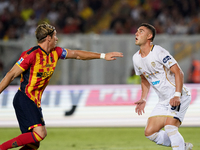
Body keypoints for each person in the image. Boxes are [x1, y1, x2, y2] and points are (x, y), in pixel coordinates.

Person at [0, 22, 123, 150]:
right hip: (25, 98)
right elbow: (10, 75)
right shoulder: (31, 55)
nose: (57, 39)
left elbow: (77, 54)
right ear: (48, 38)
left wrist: (103, 56)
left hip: (34, 102)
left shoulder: (56, 52)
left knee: (33, 144)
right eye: (55, 36)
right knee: (40, 133)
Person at [132, 23, 193, 150]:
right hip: (164, 100)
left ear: (149, 36)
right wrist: (143, 98)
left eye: (141, 31)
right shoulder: (136, 58)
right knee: (150, 132)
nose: (136, 33)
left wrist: (177, 95)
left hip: (179, 95)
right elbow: (144, 79)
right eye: (137, 31)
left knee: (170, 127)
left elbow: (178, 72)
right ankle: (182, 146)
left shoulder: (159, 51)